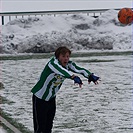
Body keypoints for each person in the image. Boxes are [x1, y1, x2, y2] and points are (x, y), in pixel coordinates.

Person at [31, 46, 100, 133]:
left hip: (51, 98)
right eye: (63, 56)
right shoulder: (52, 64)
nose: (66, 59)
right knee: (40, 128)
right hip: (40, 98)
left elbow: (79, 69)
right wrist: (73, 76)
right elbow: (61, 71)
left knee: (48, 127)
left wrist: (90, 75)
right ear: (58, 56)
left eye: (67, 56)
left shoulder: (68, 64)